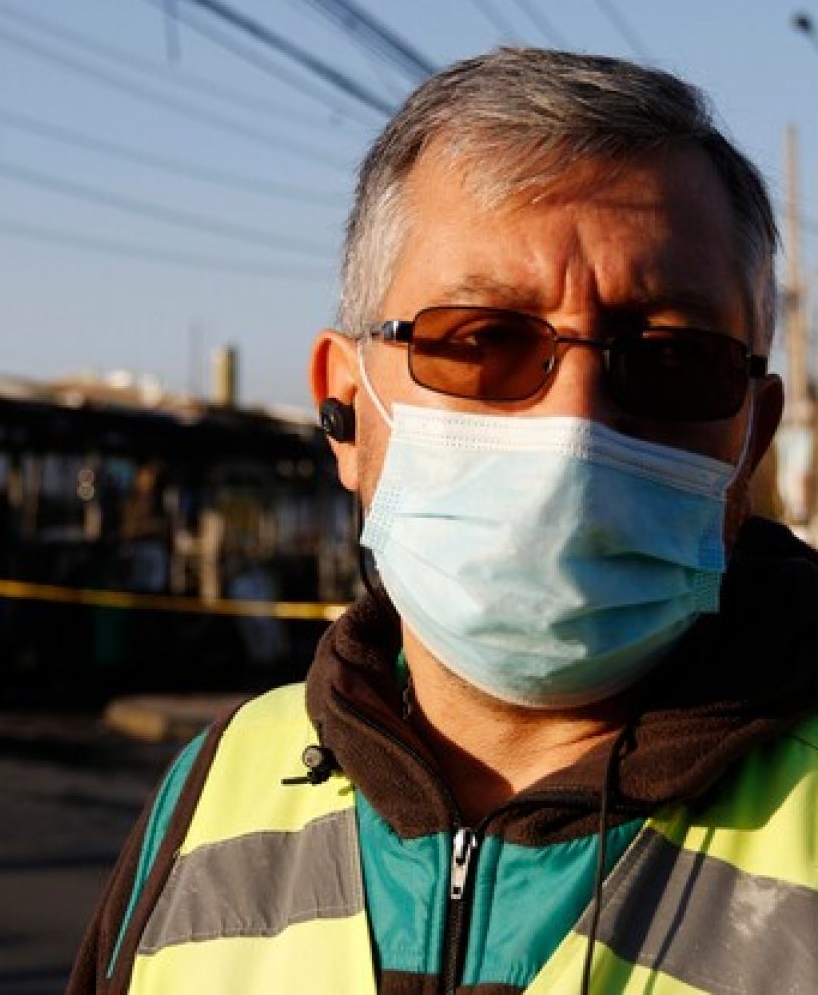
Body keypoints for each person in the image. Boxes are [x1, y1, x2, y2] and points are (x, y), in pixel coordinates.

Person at [67, 48, 818, 995]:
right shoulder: (212, 790)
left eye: (671, 357)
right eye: (480, 341)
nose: (574, 427)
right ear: (346, 407)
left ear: (751, 440)